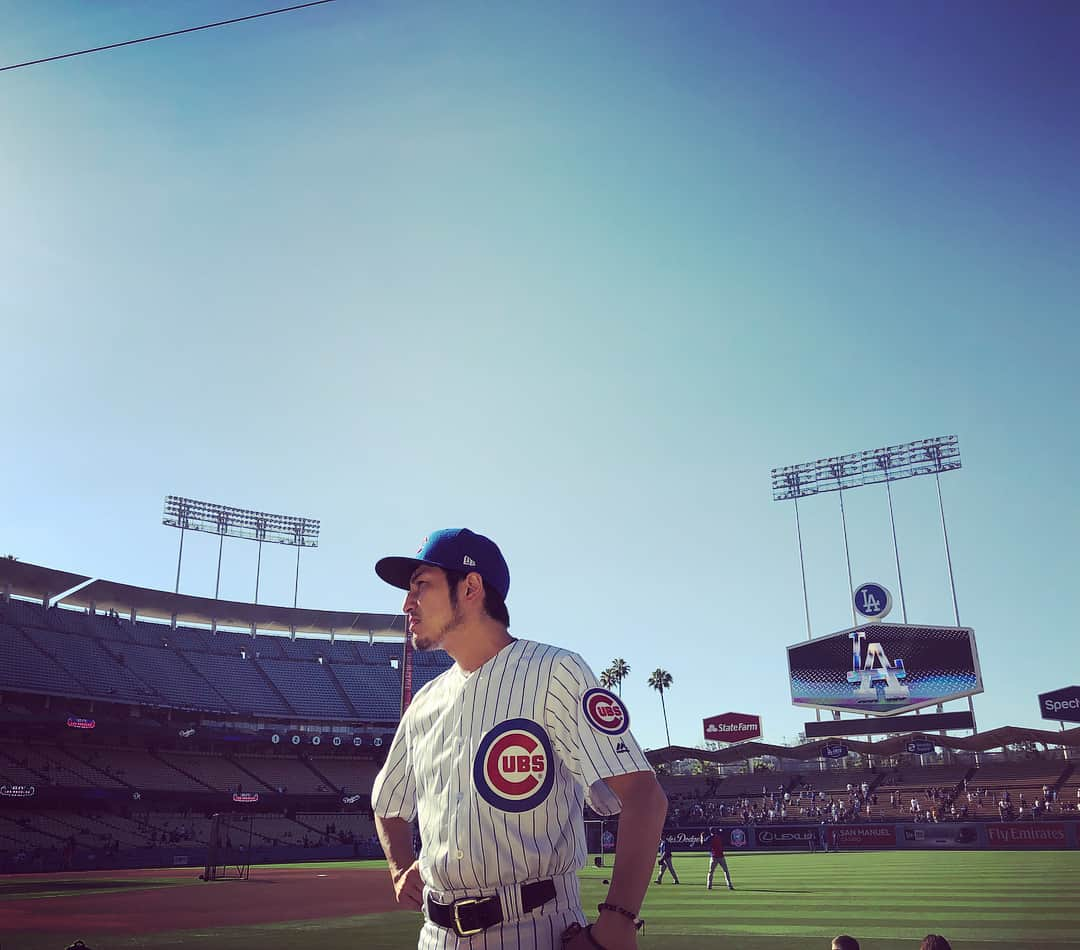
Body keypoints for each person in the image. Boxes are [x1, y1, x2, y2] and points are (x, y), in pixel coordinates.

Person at [371, 528, 668, 950]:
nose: (407, 603)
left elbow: (644, 795)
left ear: (471, 587)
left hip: (535, 928)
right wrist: (400, 868)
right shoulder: (424, 701)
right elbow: (387, 802)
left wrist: (617, 921)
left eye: (421, 585)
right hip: (435, 935)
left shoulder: (554, 671)